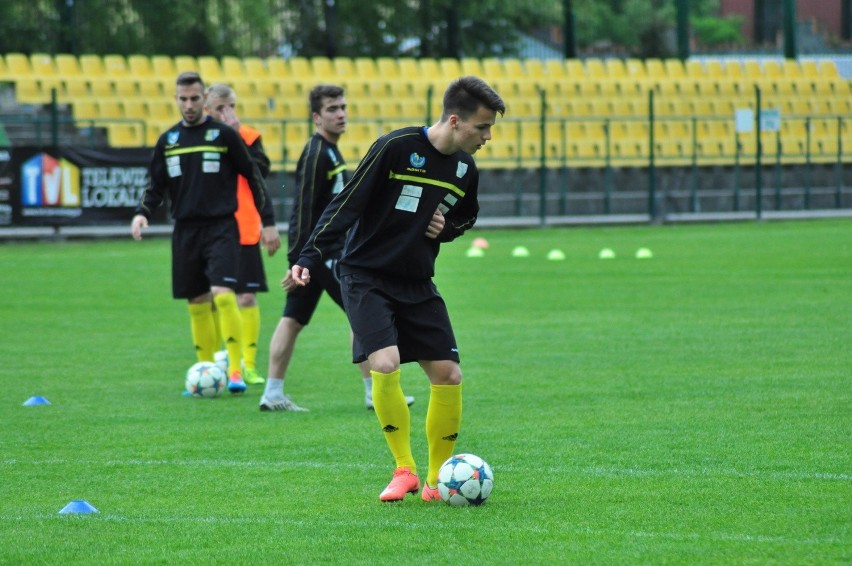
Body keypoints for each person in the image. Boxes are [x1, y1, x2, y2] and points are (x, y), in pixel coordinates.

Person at [290, 76, 505, 502]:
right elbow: (347, 203)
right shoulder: (396, 146)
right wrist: (309, 255)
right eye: (482, 128)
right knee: (385, 363)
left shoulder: (465, 168)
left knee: (449, 374)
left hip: (417, 281)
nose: (487, 137)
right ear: (456, 120)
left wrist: (446, 228)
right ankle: (403, 468)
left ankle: (433, 482)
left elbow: (466, 218)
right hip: (365, 274)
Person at [259, 84, 414, 412]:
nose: (340, 113)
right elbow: (302, 209)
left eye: (343, 107)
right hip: (322, 255)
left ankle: (272, 393)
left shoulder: (330, 150)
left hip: (317, 254)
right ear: (316, 117)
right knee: (360, 314)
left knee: (293, 318)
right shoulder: (317, 153)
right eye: (332, 109)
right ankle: (374, 391)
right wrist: (297, 261)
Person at [131, 71, 271, 395]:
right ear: (176, 100)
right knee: (196, 301)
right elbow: (155, 186)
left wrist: (269, 220)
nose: (190, 105)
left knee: (224, 293)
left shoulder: (223, 135)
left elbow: (254, 175)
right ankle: (204, 368)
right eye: (184, 99)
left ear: (203, 100)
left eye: (195, 99)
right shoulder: (169, 140)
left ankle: (236, 370)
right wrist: (142, 213)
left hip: (222, 226)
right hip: (185, 231)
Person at [204, 83, 281, 386]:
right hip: (209, 229)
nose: (229, 113)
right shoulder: (199, 140)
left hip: (245, 225)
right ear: (208, 110)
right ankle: (213, 365)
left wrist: (267, 222)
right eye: (221, 108)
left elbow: (260, 173)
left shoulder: (249, 136)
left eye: (232, 106)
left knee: (246, 296)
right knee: (211, 298)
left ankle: (246, 365)